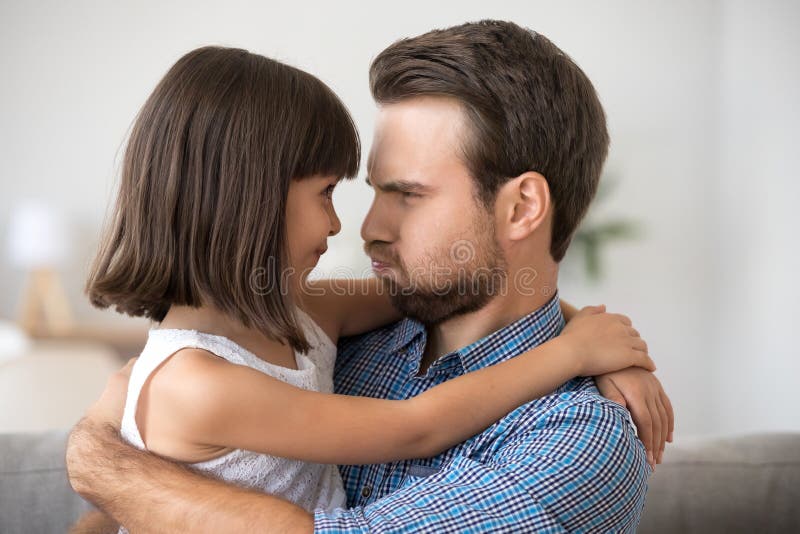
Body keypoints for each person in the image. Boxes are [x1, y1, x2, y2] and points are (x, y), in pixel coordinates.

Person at [67, 20, 674, 533]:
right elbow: (145, 399)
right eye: (361, 191)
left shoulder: (576, 440)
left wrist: (582, 347)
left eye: (407, 195)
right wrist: (583, 339)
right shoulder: (330, 340)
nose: (363, 230)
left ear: (520, 209)